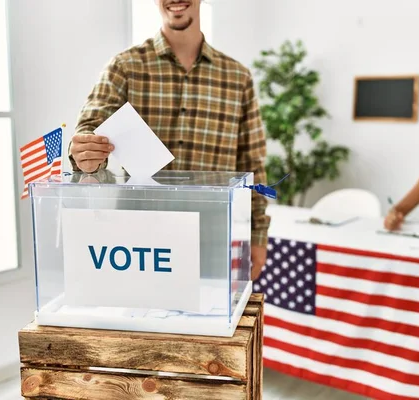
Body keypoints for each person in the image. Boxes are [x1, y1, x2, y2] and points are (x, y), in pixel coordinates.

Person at [68, 0, 269, 279]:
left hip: (213, 235)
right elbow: (89, 128)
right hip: (141, 244)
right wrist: (85, 152)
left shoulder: (238, 78)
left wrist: (257, 234)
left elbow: (252, 162)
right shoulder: (125, 66)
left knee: (210, 318)